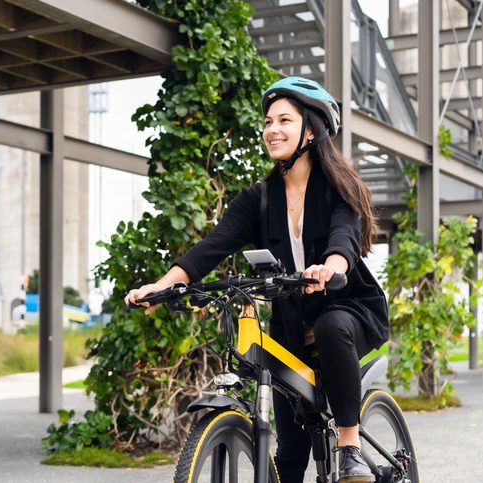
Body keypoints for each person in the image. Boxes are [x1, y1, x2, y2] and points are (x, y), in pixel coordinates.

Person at [124, 76, 388, 483]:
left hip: (347, 309)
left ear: (311, 129)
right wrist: (164, 284)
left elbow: (344, 238)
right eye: (267, 121)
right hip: (291, 327)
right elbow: (212, 247)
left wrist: (331, 267)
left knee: (332, 325)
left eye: (284, 119)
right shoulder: (259, 198)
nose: (272, 130)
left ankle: (349, 445)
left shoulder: (339, 188)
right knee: (291, 455)